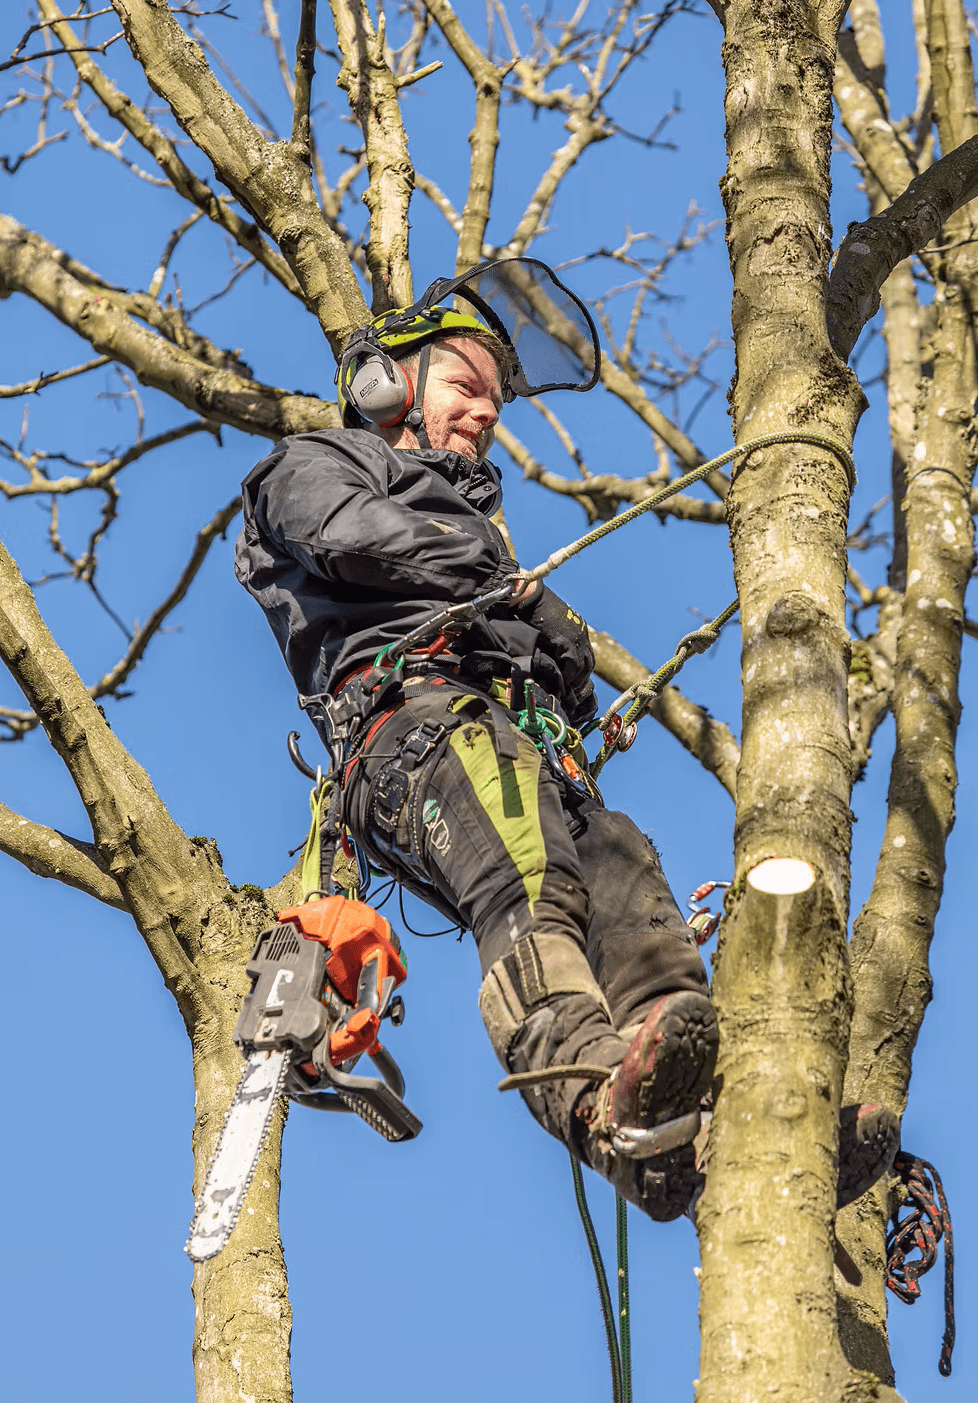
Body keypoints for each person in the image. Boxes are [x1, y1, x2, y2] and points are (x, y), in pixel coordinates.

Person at [236, 257, 898, 1223]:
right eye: (465, 386)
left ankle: (730, 1122)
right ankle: (598, 1105)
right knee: (529, 877)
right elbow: (346, 538)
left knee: (626, 872)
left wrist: (550, 630)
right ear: (390, 384)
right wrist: (502, 579)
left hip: (523, 750)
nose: (483, 414)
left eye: (495, 402)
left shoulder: (489, 553)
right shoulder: (317, 466)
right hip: (420, 732)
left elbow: (567, 673)